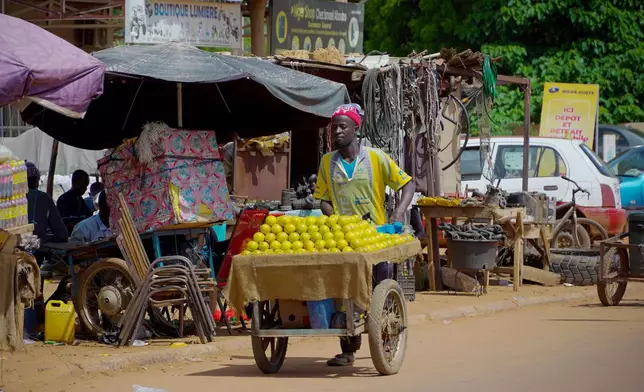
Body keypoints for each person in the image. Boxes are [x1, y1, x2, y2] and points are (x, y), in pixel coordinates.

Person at [313, 103, 415, 367]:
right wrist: (332, 216)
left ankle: (386, 343)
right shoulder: (327, 162)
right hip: (345, 239)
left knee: (378, 289)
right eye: (334, 127)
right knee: (346, 292)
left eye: (342, 127)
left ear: (355, 130)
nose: (336, 132)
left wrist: (398, 214)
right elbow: (322, 199)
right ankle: (348, 350)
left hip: (376, 237)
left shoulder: (376, 158)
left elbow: (407, 184)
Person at [26, 162, 69, 243]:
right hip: (36, 249)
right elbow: (62, 234)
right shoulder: (43, 198)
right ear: (37, 182)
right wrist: (43, 238)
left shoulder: (7, 198)